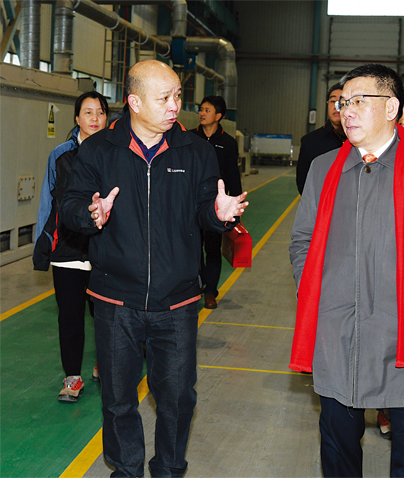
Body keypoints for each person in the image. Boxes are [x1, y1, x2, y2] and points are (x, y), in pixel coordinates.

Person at [60, 60, 248, 478]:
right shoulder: (98, 150)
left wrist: (218, 215)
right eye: (164, 98)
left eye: (178, 96)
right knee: (118, 398)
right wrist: (90, 213)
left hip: (176, 301)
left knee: (178, 397)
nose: (174, 105)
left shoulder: (195, 152)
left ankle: (169, 469)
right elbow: (69, 205)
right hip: (115, 299)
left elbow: (205, 209)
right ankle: (126, 470)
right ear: (134, 102)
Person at [289, 64, 404, 478]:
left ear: (391, 108)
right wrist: (315, 290)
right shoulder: (324, 168)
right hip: (338, 332)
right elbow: (303, 241)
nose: (346, 111)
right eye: (342, 102)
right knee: (337, 444)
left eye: (358, 101)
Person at [33, 91, 109, 402]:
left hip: (105, 250)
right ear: (77, 118)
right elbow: (48, 202)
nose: (94, 118)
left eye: (100, 112)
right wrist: (42, 246)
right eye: (88, 112)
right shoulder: (60, 155)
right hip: (67, 250)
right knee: (70, 316)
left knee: (105, 315)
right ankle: (72, 377)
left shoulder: (116, 153)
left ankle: (104, 365)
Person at [191, 96, 242, 309]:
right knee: (192, 247)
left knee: (212, 249)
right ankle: (197, 284)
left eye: (207, 110)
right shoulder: (190, 138)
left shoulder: (228, 143)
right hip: (190, 205)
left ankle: (210, 291)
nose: (202, 113)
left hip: (215, 207)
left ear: (218, 115)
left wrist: (236, 208)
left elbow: (233, 175)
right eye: (201, 109)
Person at [296, 83, 346, 194]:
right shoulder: (310, 142)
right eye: (332, 101)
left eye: (341, 101)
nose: (336, 106)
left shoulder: (361, 142)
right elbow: (303, 183)